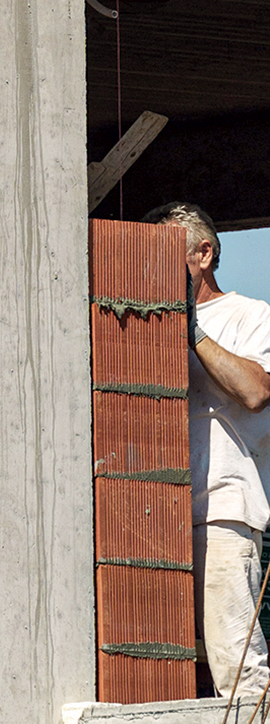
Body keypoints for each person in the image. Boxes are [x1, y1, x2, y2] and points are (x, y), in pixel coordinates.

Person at [150, 202, 270, 700]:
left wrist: (192, 331)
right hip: (154, 513)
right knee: (155, 661)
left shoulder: (250, 315)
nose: (153, 263)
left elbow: (256, 391)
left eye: (164, 252)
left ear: (204, 253)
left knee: (235, 662)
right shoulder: (148, 325)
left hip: (221, 510)